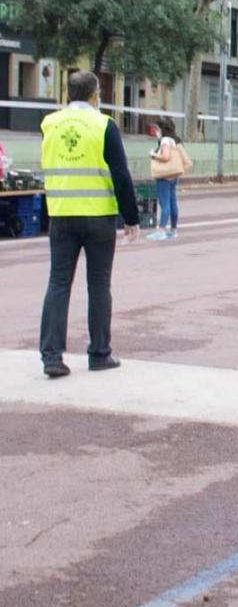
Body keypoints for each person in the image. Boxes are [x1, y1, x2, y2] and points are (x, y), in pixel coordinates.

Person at [39, 70, 140, 378]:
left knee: (58, 283)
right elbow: (121, 175)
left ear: (69, 93)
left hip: (60, 215)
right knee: (98, 285)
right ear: (96, 94)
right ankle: (99, 353)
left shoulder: (49, 124)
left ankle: (52, 357)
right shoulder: (103, 125)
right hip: (98, 217)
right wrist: (131, 217)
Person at [147, 117, 188, 240]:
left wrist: (153, 155)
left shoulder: (165, 140)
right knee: (173, 203)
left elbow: (165, 157)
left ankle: (161, 230)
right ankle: (173, 230)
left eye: (157, 129)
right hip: (174, 176)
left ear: (162, 129)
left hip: (164, 176)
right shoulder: (175, 140)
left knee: (165, 203)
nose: (156, 132)